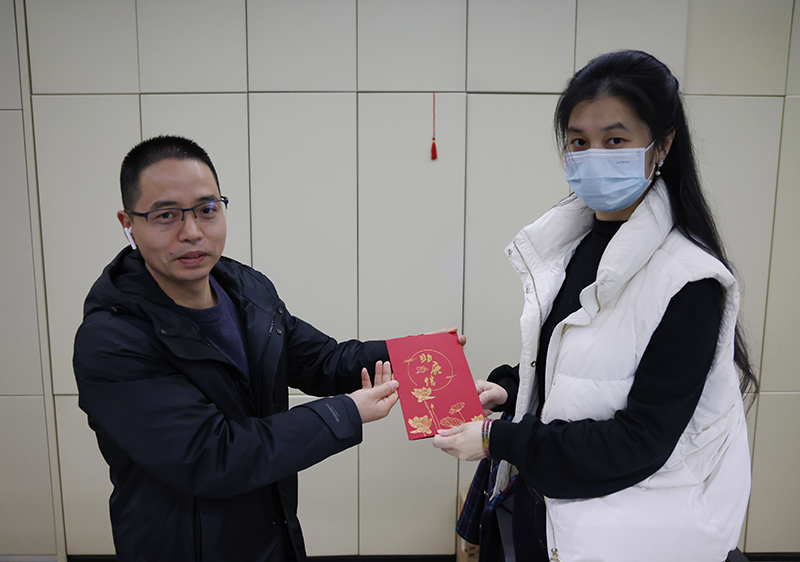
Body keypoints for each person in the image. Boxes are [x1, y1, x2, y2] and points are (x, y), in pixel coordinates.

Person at [433, 50, 758, 562]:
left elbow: (640, 442)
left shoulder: (689, 280)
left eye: (615, 140)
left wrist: (500, 441)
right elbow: (577, 364)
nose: (593, 156)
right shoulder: (575, 245)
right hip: (552, 512)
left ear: (662, 145)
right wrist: (512, 387)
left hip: (631, 532)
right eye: (579, 142)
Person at [74, 135, 407, 562]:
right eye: (166, 215)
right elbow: (213, 456)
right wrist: (347, 412)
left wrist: (417, 355)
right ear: (128, 223)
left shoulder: (246, 290)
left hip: (272, 533)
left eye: (207, 209)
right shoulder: (112, 340)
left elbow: (321, 361)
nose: (192, 232)